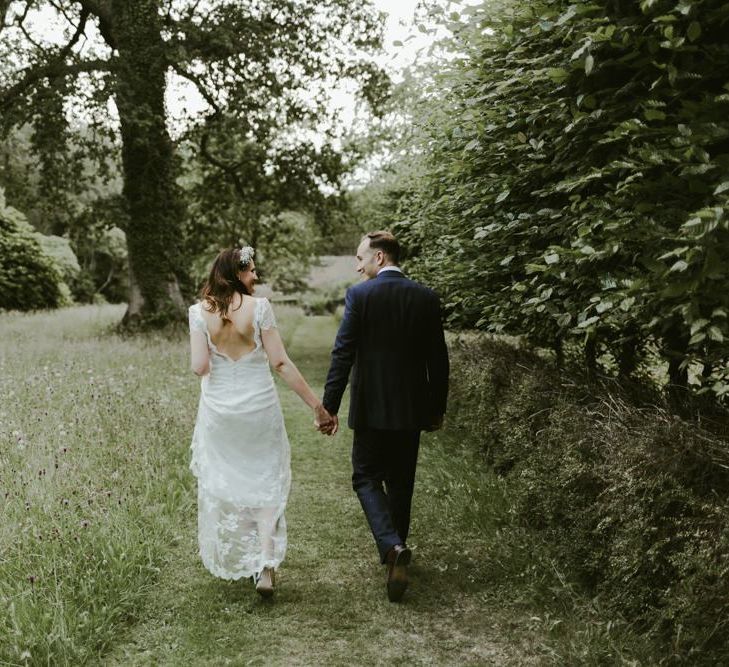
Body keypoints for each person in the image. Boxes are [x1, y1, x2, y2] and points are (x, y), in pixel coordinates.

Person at [188, 246, 334, 598]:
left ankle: (250, 557)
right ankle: (266, 564)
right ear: (236, 273)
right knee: (265, 478)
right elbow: (280, 363)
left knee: (231, 478)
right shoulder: (261, 309)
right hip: (259, 408)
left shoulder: (197, 312)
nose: (256, 276)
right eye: (251, 270)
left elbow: (199, 367)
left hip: (220, 412)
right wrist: (317, 406)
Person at [321, 230, 449, 602]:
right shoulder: (426, 297)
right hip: (411, 410)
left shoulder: (360, 295)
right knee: (401, 482)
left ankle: (392, 546)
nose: (357, 265)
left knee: (364, 478)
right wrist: (436, 408)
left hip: (371, 409)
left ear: (379, 258)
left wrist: (330, 405)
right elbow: (437, 361)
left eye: (361, 257)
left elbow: (342, 353)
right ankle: (398, 557)